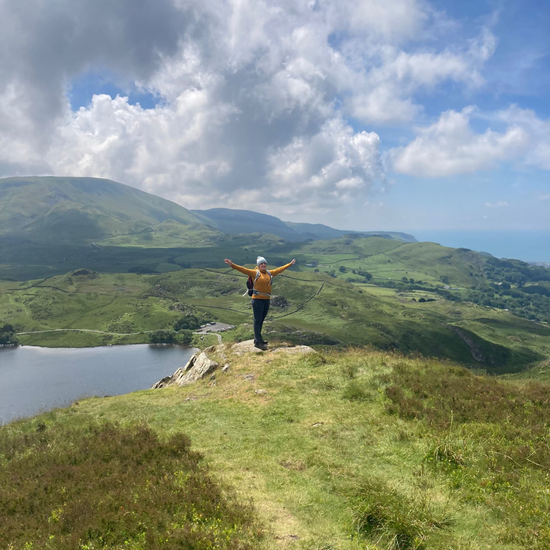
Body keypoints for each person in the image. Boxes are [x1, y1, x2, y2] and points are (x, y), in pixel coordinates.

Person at [224, 256, 296, 349]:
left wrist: (289, 264)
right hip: (257, 299)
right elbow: (243, 270)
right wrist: (232, 265)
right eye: (261, 263)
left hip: (266, 300)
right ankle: (258, 342)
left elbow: (279, 269)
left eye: (264, 263)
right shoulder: (255, 273)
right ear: (258, 265)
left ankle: (258, 339)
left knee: (261, 320)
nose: (263, 265)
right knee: (257, 320)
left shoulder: (269, 273)